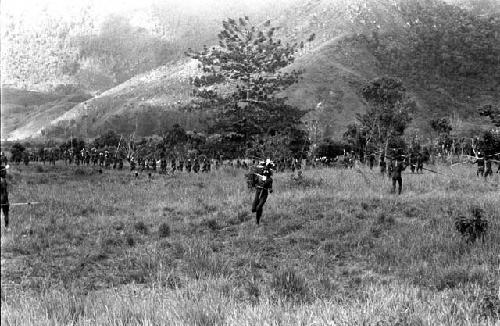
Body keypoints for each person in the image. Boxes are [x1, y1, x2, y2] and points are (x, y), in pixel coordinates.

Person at [251, 159, 274, 225]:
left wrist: (270, 189)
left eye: (267, 172)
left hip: (264, 194)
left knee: (259, 207)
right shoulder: (259, 177)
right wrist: (254, 181)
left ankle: (257, 220)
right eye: (264, 171)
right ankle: (255, 212)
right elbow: (253, 181)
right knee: (254, 205)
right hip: (258, 191)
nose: (265, 172)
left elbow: (270, 187)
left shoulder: (270, 179)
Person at [1, 165, 10, 229]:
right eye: (4, 171)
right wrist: (6, 201)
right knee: (6, 213)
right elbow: (4, 192)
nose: (6, 172)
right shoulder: (3, 180)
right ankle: (7, 227)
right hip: (3, 199)